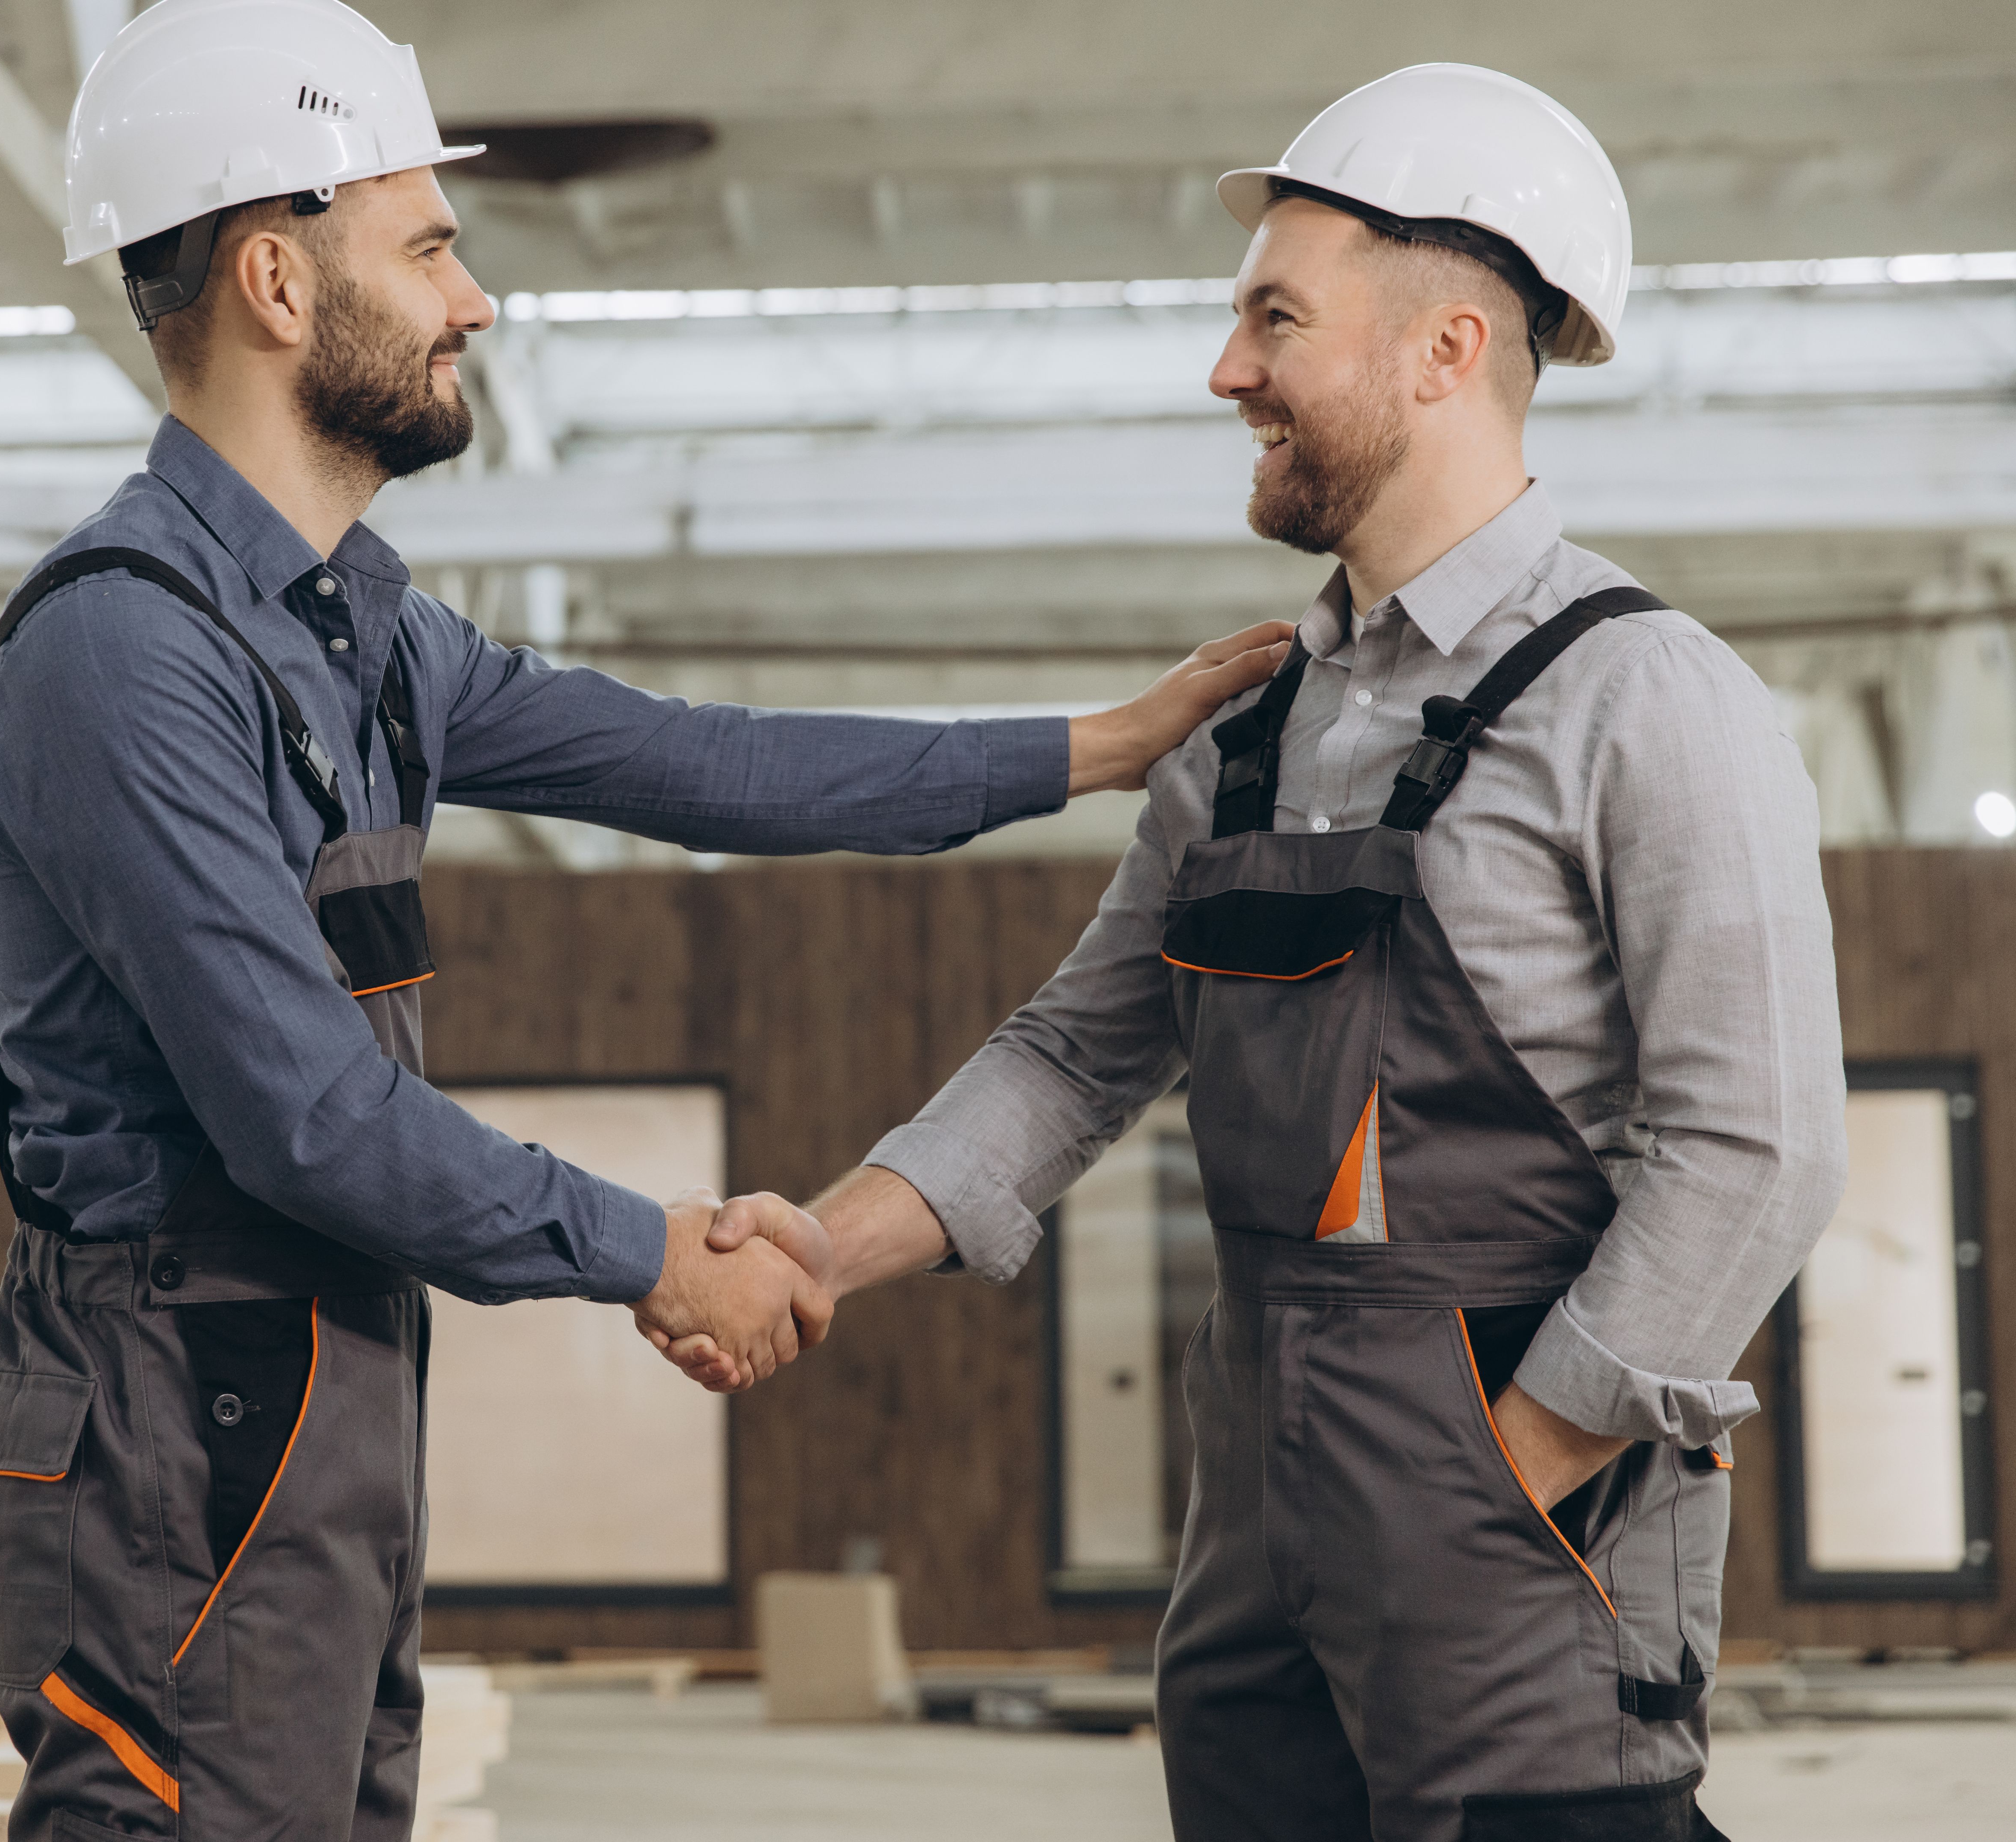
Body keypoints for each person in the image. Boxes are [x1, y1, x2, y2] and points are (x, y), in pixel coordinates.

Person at [0, 3, 1288, 1837]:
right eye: (428, 246)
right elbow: (312, 1116)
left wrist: (1088, 752)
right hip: (168, 1403)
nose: (472, 298)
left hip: (310, 1375)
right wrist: (659, 1251)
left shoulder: (358, 631)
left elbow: (691, 765)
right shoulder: (125, 652)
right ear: (275, 279)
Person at [686, 64, 1845, 1842]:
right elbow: (1078, 1056)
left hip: (1521, 1528)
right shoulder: (1248, 727)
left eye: (1274, 318)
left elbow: (1759, 1148)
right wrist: (821, 1246)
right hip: (1258, 1522)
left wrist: (1520, 1464)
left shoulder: (1648, 699)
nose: (1230, 370)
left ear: (1447, 349)